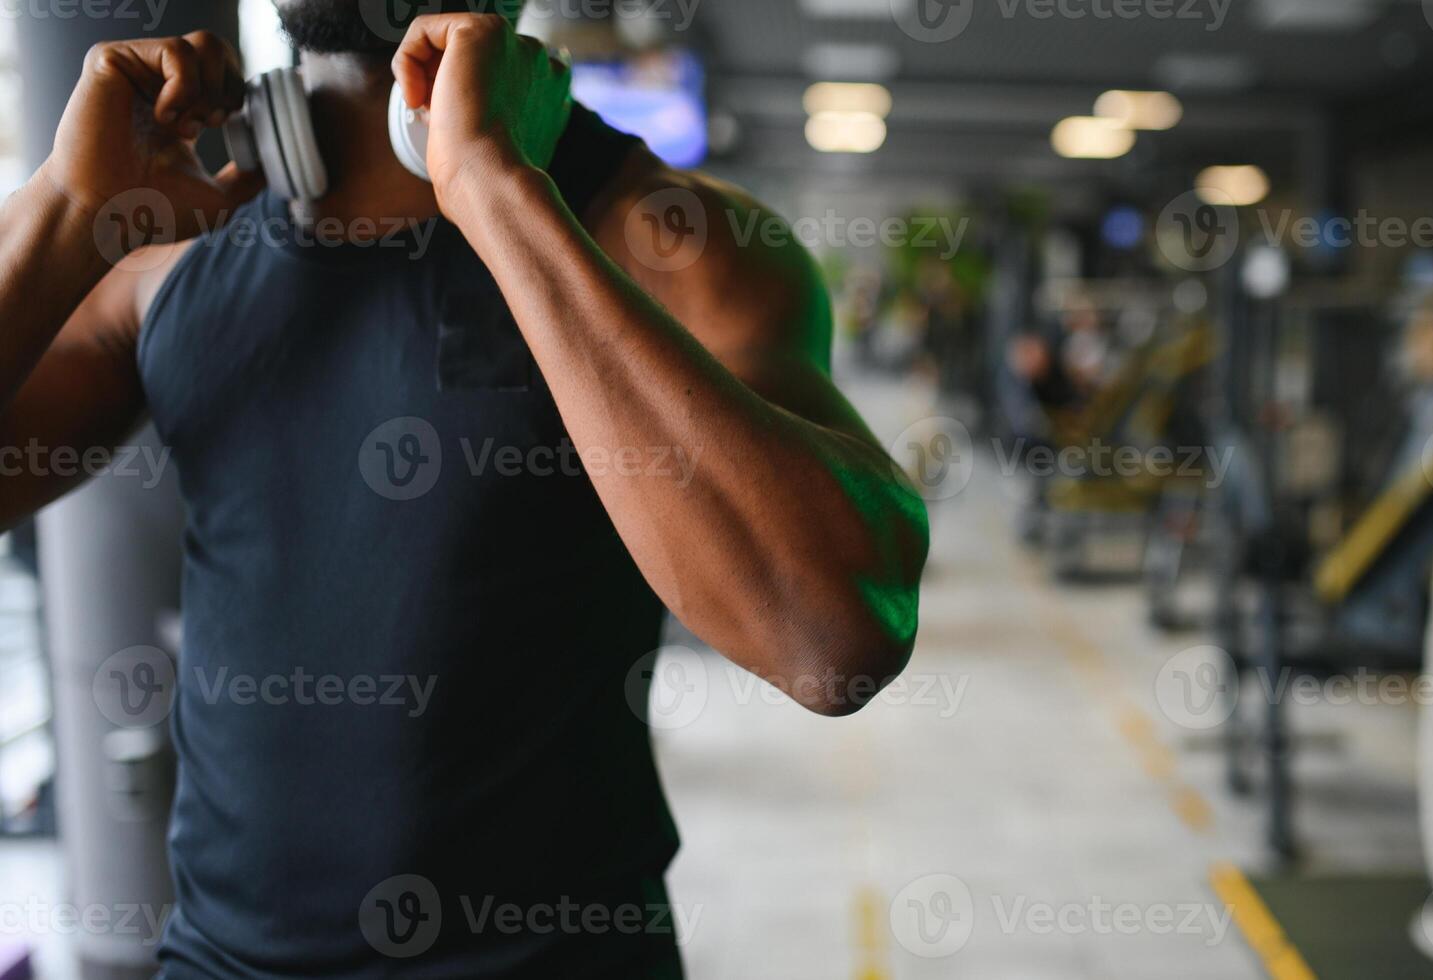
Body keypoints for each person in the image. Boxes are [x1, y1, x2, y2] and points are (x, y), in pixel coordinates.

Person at [0, 4, 928, 976]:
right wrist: (64, 203)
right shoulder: (171, 242)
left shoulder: (670, 241)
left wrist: (499, 193)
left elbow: (831, 640)